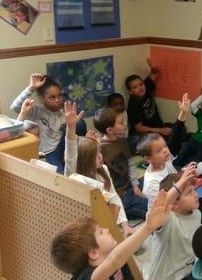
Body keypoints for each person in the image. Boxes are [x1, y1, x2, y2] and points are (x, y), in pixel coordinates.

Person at [50, 190, 172, 280]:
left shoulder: (114, 257)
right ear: (94, 253)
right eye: (101, 232)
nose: (107, 230)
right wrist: (147, 227)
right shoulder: (86, 276)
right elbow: (114, 260)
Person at [63, 101, 134, 237]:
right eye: (96, 156)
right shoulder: (74, 176)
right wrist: (71, 127)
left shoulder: (104, 170)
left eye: (100, 152)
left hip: (106, 219)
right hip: (86, 229)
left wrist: (125, 226)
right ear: (85, 160)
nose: (101, 157)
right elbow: (70, 154)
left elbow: (114, 198)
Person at [10, 73, 86, 173]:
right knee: (59, 175)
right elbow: (15, 107)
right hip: (48, 151)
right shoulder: (36, 110)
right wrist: (31, 87)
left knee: (80, 124)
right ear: (42, 98)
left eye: (59, 96)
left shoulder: (63, 111)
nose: (58, 100)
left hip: (61, 145)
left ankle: (79, 155)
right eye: (52, 97)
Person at [93, 107, 148, 221]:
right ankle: (127, 212)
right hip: (120, 195)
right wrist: (96, 148)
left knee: (157, 189)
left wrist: (136, 186)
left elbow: (131, 163)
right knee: (150, 209)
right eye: (121, 122)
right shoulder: (100, 148)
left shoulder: (122, 140)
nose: (125, 124)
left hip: (130, 185)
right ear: (109, 130)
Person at [172, 91, 202, 173]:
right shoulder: (201, 116)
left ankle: (189, 168)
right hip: (195, 140)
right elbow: (192, 106)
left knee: (198, 158)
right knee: (184, 151)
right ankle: (174, 165)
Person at [126, 58, 172, 138]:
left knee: (179, 128)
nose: (140, 88)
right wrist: (159, 131)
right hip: (147, 134)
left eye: (141, 84)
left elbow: (154, 73)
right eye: (135, 87)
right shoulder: (134, 104)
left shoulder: (145, 88)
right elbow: (139, 128)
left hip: (158, 126)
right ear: (130, 92)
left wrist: (153, 68)